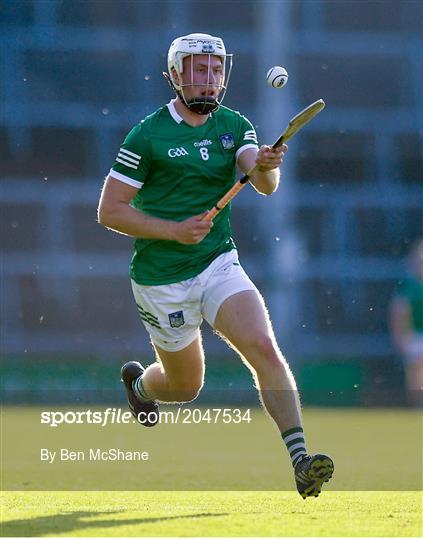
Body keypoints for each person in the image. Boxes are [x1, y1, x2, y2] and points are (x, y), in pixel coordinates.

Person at [97, 32, 333, 498]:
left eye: (216, 70)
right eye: (198, 70)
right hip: (161, 279)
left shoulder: (233, 125)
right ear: (175, 76)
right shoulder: (147, 135)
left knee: (263, 345)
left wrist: (265, 163)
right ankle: (142, 386)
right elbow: (109, 211)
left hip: (217, 263)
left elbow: (263, 182)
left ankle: (301, 458)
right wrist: (173, 230)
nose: (209, 79)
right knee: (186, 387)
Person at [389, 239, 423, 407]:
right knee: (416, 372)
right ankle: (417, 405)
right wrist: (400, 335)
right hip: (415, 334)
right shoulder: (408, 284)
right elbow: (399, 312)